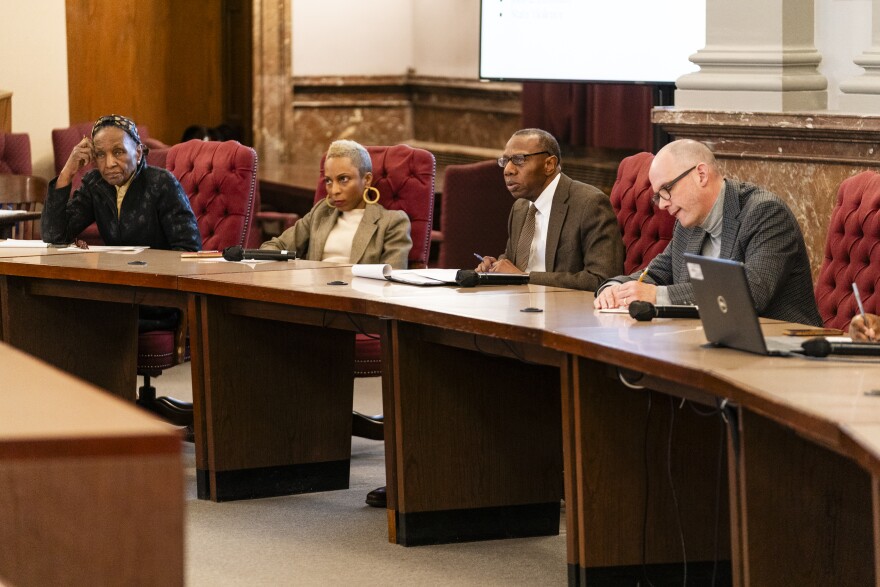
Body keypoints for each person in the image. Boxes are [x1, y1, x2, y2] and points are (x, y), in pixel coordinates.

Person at [594, 139, 822, 327]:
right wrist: (614, 289)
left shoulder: (765, 213)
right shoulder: (688, 225)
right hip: (711, 342)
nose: (662, 205)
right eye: (657, 196)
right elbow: (655, 274)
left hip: (782, 349)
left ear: (701, 175)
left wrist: (656, 296)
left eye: (666, 190)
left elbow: (750, 294)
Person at [475, 128, 623, 291]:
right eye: (505, 161)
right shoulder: (520, 207)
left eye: (519, 159)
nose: (508, 170)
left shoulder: (590, 204)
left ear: (549, 165)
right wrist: (495, 267)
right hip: (519, 306)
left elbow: (602, 279)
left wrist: (524, 278)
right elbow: (514, 263)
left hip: (566, 312)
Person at [42, 114, 201, 251]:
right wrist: (67, 172)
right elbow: (55, 235)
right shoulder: (95, 185)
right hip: (116, 277)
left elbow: (188, 249)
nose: (109, 163)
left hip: (159, 279)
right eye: (101, 154)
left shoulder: (161, 183)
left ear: (138, 153)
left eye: (118, 152)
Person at [260, 139, 412, 267]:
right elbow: (273, 247)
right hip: (313, 294)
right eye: (328, 181)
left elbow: (392, 278)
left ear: (366, 180)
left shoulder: (392, 222)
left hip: (360, 298)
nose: (334, 190)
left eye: (343, 179)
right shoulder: (321, 212)